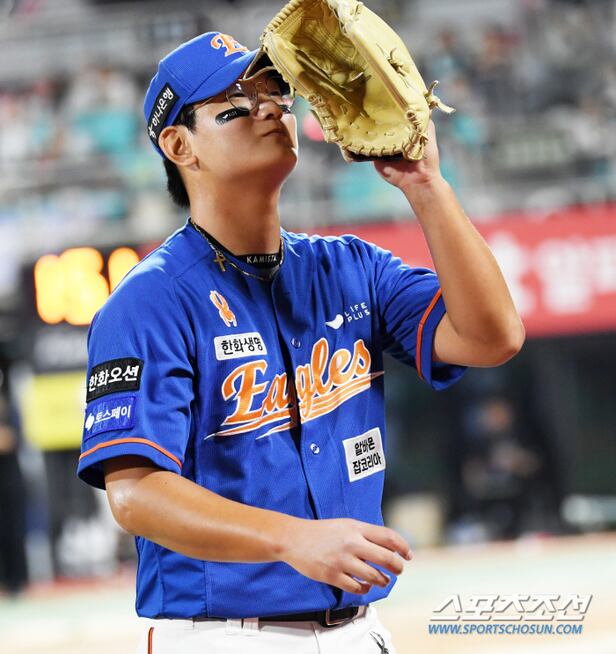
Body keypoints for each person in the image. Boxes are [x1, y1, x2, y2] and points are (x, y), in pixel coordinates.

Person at [77, 31, 525, 654]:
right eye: (236, 102)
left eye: (275, 92)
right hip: (222, 637)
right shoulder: (149, 301)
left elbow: (492, 337)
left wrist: (426, 185)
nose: (269, 107)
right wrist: (293, 539)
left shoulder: (351, 267)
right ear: (179, 145)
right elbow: (136, 495)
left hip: (359, 629)